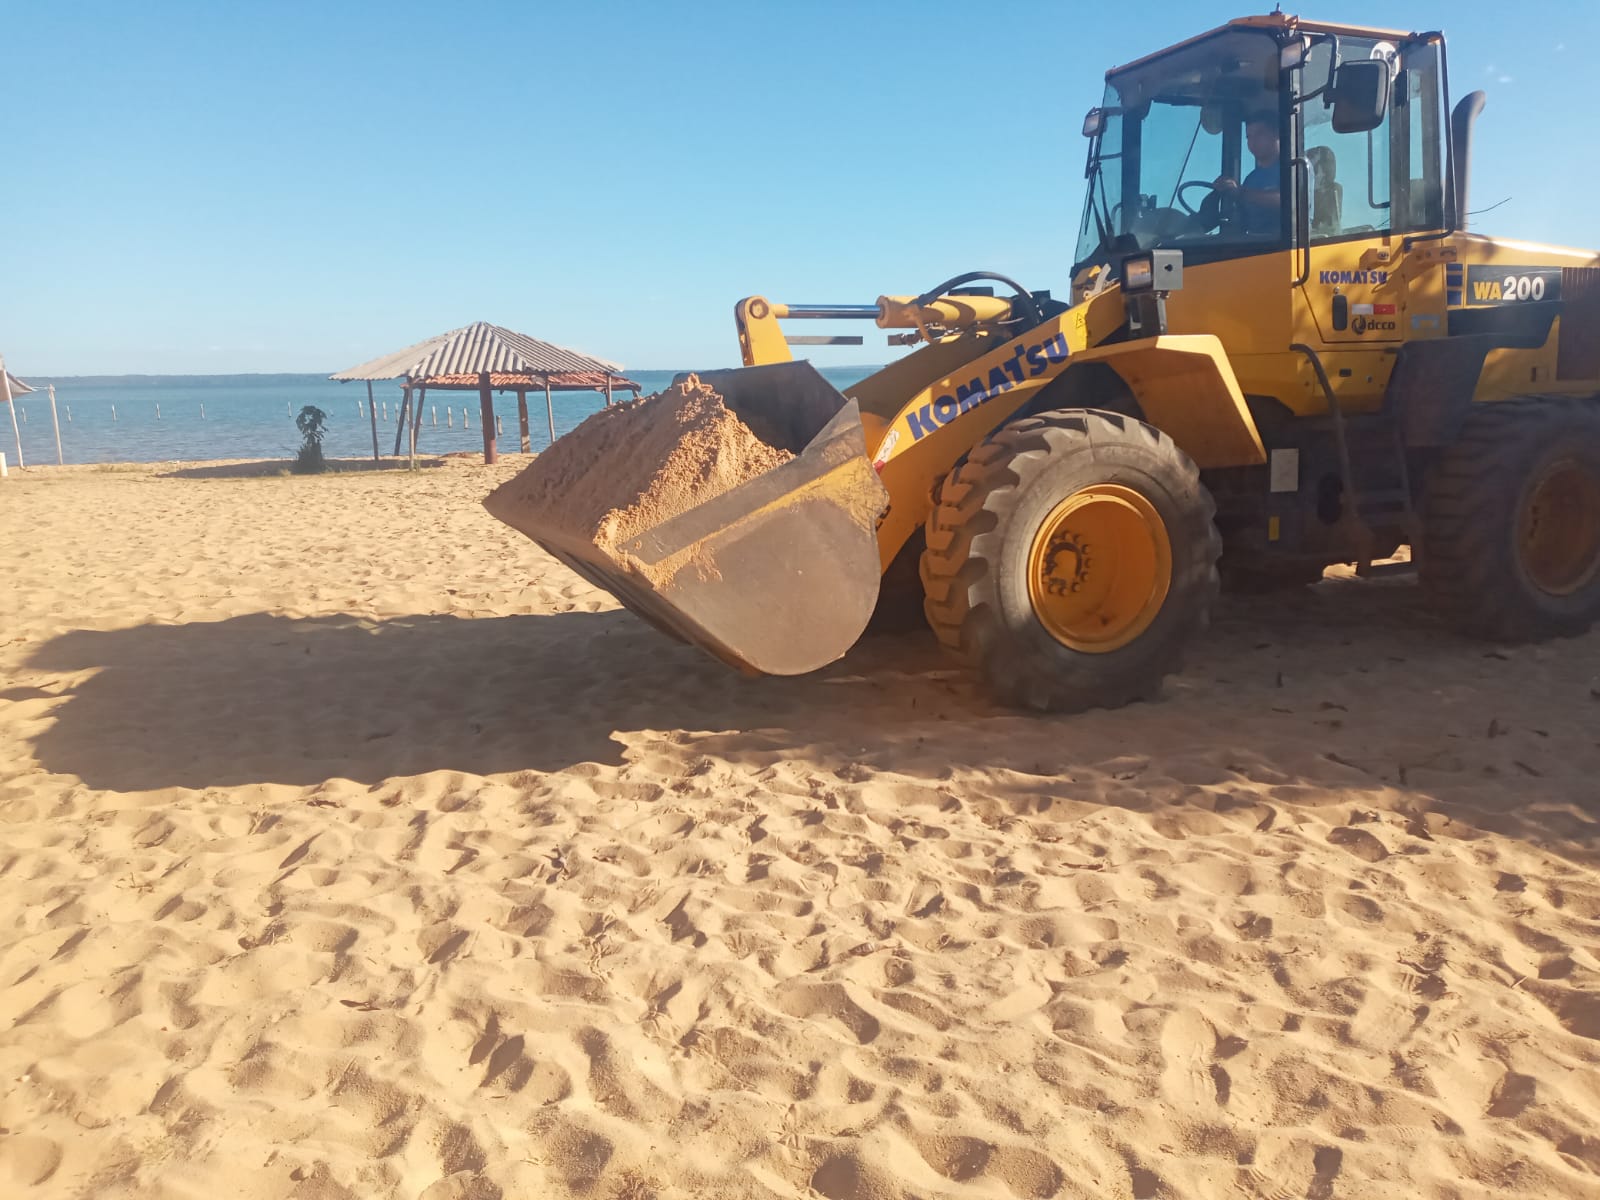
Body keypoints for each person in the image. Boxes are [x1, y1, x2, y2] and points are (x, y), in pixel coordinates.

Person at [1214, 112, 1281, 235]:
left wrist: (1241, 193)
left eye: (1259, 134)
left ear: (1276, 134)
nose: (1253, 141)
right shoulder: (1251, 179)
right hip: (1254, 244)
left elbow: (1289, 201)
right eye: (1249, 136)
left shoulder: (1294, 168)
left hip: (1282, 244)